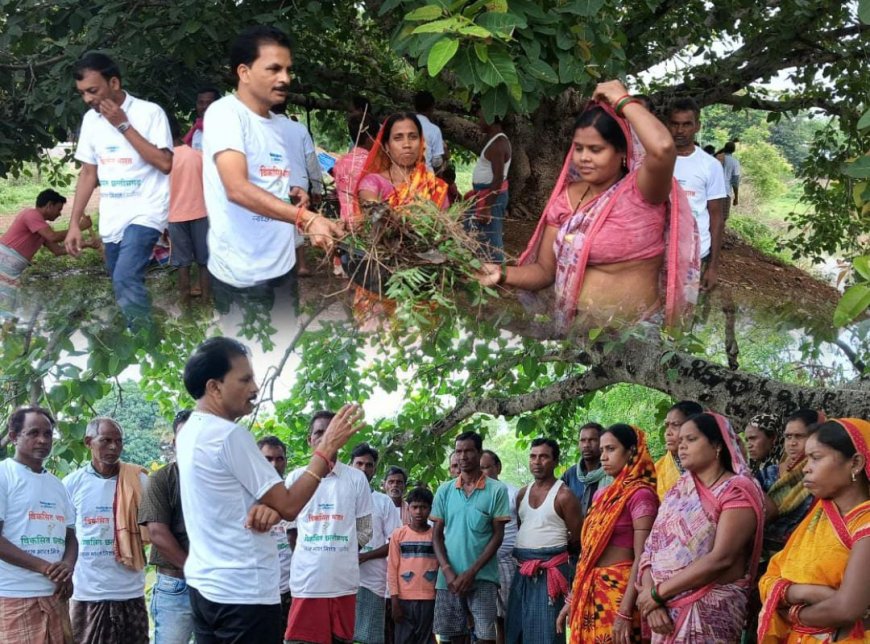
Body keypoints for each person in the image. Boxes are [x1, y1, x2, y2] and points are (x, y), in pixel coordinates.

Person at [176, 337, 363, 642]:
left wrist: (269, 507)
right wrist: (326, 448)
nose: (254, 388)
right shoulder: (229, 436)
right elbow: (289, 505)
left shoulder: (189, 432)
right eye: (245, 379)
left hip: (205, 586)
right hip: (244, 595)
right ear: (214, 387)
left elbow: (239, 499)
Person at [478, 80, 699, 331]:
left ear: (621, 152)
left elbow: (663, 148)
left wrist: (623, 99)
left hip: (635, 335)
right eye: (579, 148)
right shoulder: (565, 199)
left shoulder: (643, 193)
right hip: (575, 332)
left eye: (596, 149)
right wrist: (502, 273)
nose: (584, 158)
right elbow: (544, 271)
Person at [201, 26, 343, 316]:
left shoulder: (277, 126)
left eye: (288, 70)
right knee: (245, 357)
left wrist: (293, 195)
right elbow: (237, 188)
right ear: (244, 72)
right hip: (241, 275)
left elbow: (265, 181)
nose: (285, 79)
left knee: (284, 354)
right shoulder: (225, 113)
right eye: (274, 69)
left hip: (282, 266)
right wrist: (306, 217)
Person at [637, 412, 764, 642]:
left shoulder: (736, 490)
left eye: (691, 439)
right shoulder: (678, 491)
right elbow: (651, 549)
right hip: (662, 612)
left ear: (717, 445)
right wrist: (651, 600)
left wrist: (658, 593)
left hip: (708, 614)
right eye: (681, 440)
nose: (681, 445)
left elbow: (721, 558)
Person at [65, 52, 173, 322]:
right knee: (121, 282)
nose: (88, 99)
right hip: (113, 217)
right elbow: (89, 173)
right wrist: (74, 223)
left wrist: (123, 124)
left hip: (146, 210)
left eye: (93, 90)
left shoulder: (150, 113)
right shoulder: (90, 121)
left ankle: (144, 345)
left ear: (114, 83)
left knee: (125, 279)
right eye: (82, 93)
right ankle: (152, 335)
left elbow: (165, 163)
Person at [757, 418, 870, 643]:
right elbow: (773, 574)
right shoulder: (819, 516)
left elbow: (846, 609)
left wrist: (792, 613)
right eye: (806, 458)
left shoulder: (864, 524)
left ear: (855, 463)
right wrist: (804, 593)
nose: (806, 467)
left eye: (816, 458)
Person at [558, 425, 658, 644]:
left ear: (632, 451)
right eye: (602, 450)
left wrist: (625, 610)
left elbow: (643, 557)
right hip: (590, 587)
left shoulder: (641, 495)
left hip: (620, 592)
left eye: (611, 449)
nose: (603, 457)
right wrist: (573, 597)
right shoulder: (603, 495)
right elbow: (588, 552)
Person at [284, 411, 374, 644]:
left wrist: (340, 554)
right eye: (319, 433)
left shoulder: (356, 479)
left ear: (342, 437)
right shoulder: (295, 479)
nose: (325, 438)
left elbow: (365, 529)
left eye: (330, 432)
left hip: (343, 584)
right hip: (307, 584)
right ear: (309, 439)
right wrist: (314, 557)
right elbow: (291, 531)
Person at [63, 417, 150, 643]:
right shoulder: (72, 484)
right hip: (88, 592)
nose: (113, 447)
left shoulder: (138, 480)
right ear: (88, 442)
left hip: (130, 589)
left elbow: (154, 527)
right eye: (106, 440)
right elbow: (65, 536)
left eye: (118, 441)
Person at [0, 407, 76, 644]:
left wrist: (67, 568)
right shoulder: (4, 475)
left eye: (48, 433)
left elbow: (70, 536)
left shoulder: (57, 485)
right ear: (14, 437)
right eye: (33, 433)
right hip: (15, 596)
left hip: (55, 596)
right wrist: (44, 567)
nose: (42, 440)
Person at [431, 431, 510, 644]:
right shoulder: (445, 490)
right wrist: (448, 572)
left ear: (479, 452)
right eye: (458, 452)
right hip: (448, 580)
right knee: (452, 637)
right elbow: (436, 536)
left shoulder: (497, 490)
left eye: (468, 451)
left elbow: (498, 536)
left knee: (485, 636)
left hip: (483, 577)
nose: (462, 456)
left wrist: (471, 572)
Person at [509, 438, 582, 644]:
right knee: (516, 628)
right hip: (523, 570)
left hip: (550, 572)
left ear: (556, 461)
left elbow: (577, 538)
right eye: (533, 456)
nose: (537, 462)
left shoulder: (564, 495)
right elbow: (522, 526)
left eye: (544, 457)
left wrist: (550, 558)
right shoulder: (522, 493)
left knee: (547, 633)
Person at [137, 409, 194, 644]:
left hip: (217, 586)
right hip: (176, 584)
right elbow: (158, 533)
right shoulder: (161, 479)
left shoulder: (221, 478)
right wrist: (197, 572)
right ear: (175, 441)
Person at [667, 98, 727, 293]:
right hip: (657, 251)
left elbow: (717, 217)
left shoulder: (711, 166)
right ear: (668, 125)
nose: (680, 130)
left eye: (686, 124)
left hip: (695, 255)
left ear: (697, 126)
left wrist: (713, 266)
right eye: (675, 124)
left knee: (684, 314)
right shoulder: (655, 160)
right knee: (647, 314)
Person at [0, 190, 95, 313]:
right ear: (49, 205)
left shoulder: (41, 228)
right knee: (6, 305)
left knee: (7, 304)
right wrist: (79, 227)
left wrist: (86, 244)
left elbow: (58, 250)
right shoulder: (31, 214)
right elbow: (53, 237)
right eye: (59, 209)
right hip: (4, 264)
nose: (60, 214)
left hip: (12, 268)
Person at [350, 443, 401, 644]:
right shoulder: (340, 496)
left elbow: (393, 542)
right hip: (339, 580)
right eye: (359, 464)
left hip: (372, 580)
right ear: (350, 465)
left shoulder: (383, 502)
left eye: (369, 465)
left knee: (369, 637)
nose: (363, 469)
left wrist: (364, 556)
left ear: (375, 469)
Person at [758, 409, 820, 559]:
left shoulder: (820, 477)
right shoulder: (767, 473)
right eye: (788, 437)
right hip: (757, 552)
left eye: (799, 436)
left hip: (796, 555)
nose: (792, 443)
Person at [167, 116, 210, 306]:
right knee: (205, 261)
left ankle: (185, 306)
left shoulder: (163, 161)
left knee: (182, 264)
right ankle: (207, 303)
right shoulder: (197, 155)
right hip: (201, 214)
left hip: (175, 218)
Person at [388, 487, 438, 644]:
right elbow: (392, 568)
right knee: (403, 638)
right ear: (408, 508)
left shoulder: (436, 535)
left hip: (430, 597)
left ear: (430, 509)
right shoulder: (399, 534)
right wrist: (394, 601)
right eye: (415, 507)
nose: (418, 512)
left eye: (423, 507)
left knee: (426, 638)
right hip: (404, 599)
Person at [480, 449, 518, 644]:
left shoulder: (512, 492)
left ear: (498, 467)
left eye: (487, 467)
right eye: (480, 468)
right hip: (483, 563)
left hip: (507, 560)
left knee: (510, 612)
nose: (483, 472)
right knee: (490, 615)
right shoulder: (476, 495)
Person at [257, 435, 294, 626]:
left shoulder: (293, 497)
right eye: (268, 459)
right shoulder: (244, 495)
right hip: (254, 593)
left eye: (279, 459)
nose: (274, 464)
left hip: (287, 590)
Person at [467, 112, 511, 262]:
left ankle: (500, 274)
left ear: (490, 118)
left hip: (491, 197)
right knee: (474, 229)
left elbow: (498, 178)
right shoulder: (495, 141)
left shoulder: (498, 144)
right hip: (486, 195)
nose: (478, 121)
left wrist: (487, 206)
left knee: (493, 236)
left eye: (481, 117)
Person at [654, 400, 704, 500]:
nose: (668, 432)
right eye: (667, 425)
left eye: (675, 425)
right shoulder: (656, 471)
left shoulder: (711, 466)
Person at [561, 422, 612, 516]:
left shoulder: (612, 471)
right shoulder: (570, 475)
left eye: (592, 440)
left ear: (602, 442)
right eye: (583, 440)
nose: (586, 445)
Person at [334, 112, 378, 222]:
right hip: (367, 227)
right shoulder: (373, 164)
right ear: (371, 138)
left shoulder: (340, 163)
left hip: (345, 226)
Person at [744, 413, 783, 482]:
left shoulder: (785, 466)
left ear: (773, 438)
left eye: (753, 438)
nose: (748, 445)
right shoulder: (750, 467)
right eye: (747, 440)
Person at [414, 91, 446, 172]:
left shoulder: (404, 125)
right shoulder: (434, 130)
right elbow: (436, 161)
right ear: (431, 107)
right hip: (425, 177)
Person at [183, 86, 221, 151]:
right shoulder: (196, 132)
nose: (204, 106)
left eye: (209, 103)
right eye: (201, 103)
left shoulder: (227, 129)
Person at [717, 141, 741, 218]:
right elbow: (735, 181)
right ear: (733, 150)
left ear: (725, 148)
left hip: (712, 191)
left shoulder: (716, 158)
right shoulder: (735, 162)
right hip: (725, 192)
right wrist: (736, 197)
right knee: (723, 217)